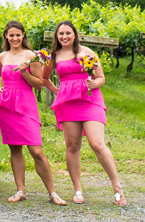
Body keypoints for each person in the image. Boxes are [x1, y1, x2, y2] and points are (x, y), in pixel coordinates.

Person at [43, 20, 125, 206]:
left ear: (74, 35)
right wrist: (58, 91)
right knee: (72, 146)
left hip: (90, 101)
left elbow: (101, 77)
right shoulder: (53, 56)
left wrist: (94, 84)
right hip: (68, 103)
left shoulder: (87, 53)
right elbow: (44, 78)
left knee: (97, 144)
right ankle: (77, 189)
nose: (64, 37)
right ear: (57, 36)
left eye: (68, 33)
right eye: (61, 33)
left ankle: (117, 188)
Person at [0, 21, 66, 206]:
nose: (15, 38)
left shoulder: (31, 56)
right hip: (7, 106)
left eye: (18, 35)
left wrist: (25, 73)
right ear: (6, 37)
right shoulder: (2, 56)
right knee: (15, 149)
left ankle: (52, 192)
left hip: (25, 105)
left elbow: (39, 84)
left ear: (23, 35)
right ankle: (20, 190)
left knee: (36, 151)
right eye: (11, 35)